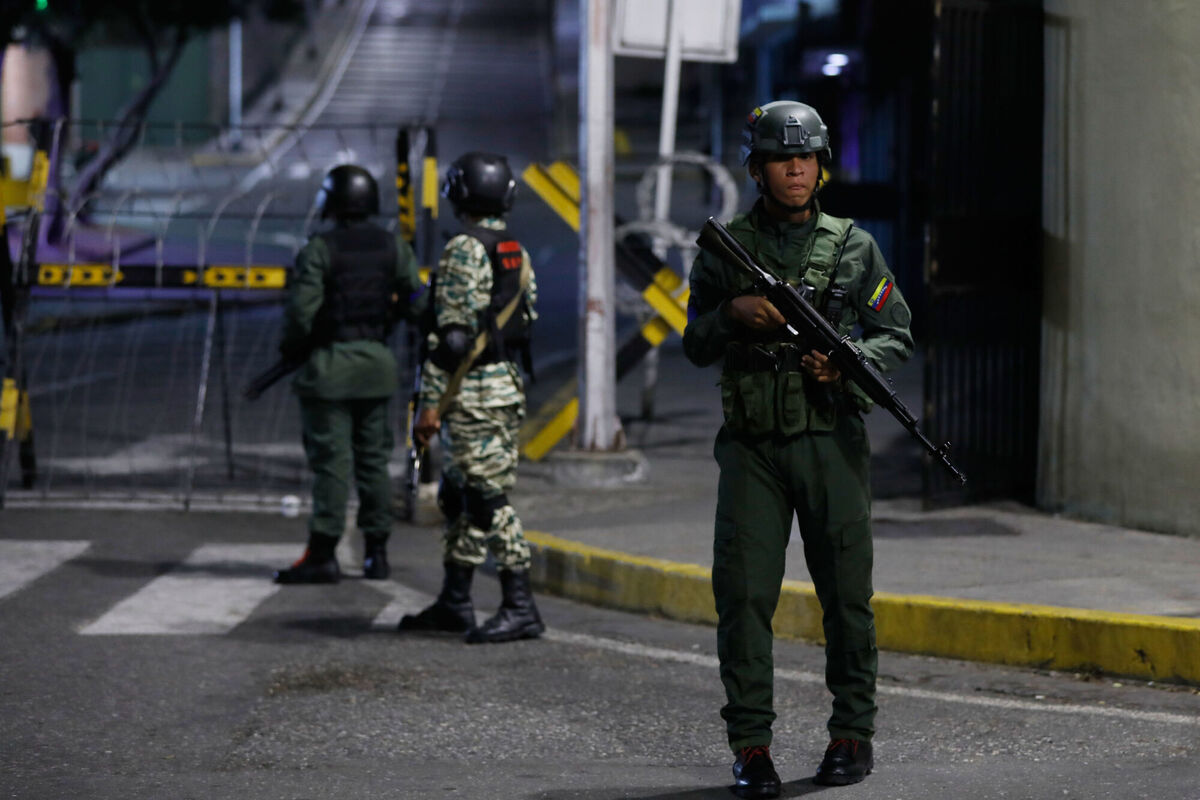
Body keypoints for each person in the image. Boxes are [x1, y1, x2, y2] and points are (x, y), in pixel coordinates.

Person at [682, 101, 914, 796]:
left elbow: (895, 333)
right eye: (782, 158)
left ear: (821, 167)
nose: (795, 169)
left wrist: (848, 364)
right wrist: (731, 314)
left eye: (806, 157)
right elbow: (694, 342)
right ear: (757, 169)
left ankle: (852, 735)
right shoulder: (727, 247)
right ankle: (751, 747)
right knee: (744, 596)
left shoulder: (853, 247)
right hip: (751, 447)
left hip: (830, 442)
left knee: (846, 597)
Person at [397, 151, 543, 644]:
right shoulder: (514, 249)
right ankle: (455, 600)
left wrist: (429, 406)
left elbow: (454, 339)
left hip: (471, 391)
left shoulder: (464, 248)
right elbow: (526, 318)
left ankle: (520, 606)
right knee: (460, 495)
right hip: (501, 385)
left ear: (459, 193)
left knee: (486, 499)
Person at [273, 164, 427, 584]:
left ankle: (324, 553)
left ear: (333, 202)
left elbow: (301, 314)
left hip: (330, 370)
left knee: (332, 463)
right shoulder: (394, 247)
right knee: (374, 461)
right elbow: (417, 301)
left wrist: (293, 347)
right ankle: (377, 553)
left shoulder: (320, 250)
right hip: (376, 367)